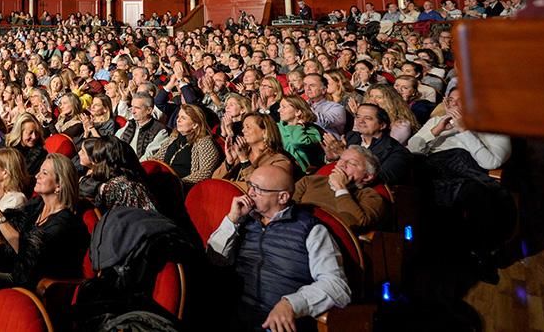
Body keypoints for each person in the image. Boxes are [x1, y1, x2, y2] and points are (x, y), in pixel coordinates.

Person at [207, 165, 351, 331]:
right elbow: (214, 260)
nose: (250, 193)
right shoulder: (245, 219)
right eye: (250, 185)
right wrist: (232, 220)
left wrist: (292, 304)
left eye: (258, 189)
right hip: (232, 312)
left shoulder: (310, 229)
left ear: (282, 197)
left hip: (275, 322)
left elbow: (336, 286)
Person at [0, 154, 90, 292]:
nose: (37, 176)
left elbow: (29, 253)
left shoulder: (65, 224)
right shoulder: (37, 205)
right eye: (40, 171)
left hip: (34, 287)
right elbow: (8, 227)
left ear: (59, 185)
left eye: (44, 173)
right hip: (16, 272)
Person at [293, 146, 390, 232]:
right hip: (293, 231)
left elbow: (355, 224)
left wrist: (340, 188)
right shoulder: (310, 181)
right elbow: (283, 209)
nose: (341, 164)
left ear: (367, 176)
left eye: (352, 163)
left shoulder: (371, 197)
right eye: (341, 159)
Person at [149, 104, 221, 186]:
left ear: (195, 125)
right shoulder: (173, 137)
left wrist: (180, 182)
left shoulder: (205, 143)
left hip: (185, 187)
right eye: (178, 117)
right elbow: (157, 158)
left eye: (183, 118)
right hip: (163, 181)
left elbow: (205, 172)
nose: (178, 120)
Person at [115, 93, 169, 160]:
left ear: (149, 110)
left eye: (137, 108)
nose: (133, 111)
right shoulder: (131, 123)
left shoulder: (160, 130)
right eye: (132, 107)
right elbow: (115, 141)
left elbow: (148, 157)